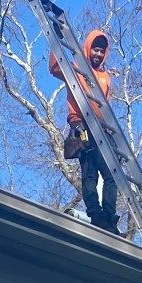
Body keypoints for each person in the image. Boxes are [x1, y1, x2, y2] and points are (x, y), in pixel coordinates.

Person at [50, 28, 119, 232]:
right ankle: (95, 214)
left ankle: (109, 216)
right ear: (88, 49)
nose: (97, 54)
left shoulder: (105, 77)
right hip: (82, 123)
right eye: (95, 50)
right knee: (90, 174)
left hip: (103, 129)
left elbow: (105, 105)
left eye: (101, 51)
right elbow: (55, 68)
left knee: (112, 174)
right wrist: (56, 41)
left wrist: (111, 132)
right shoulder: (77, 70)